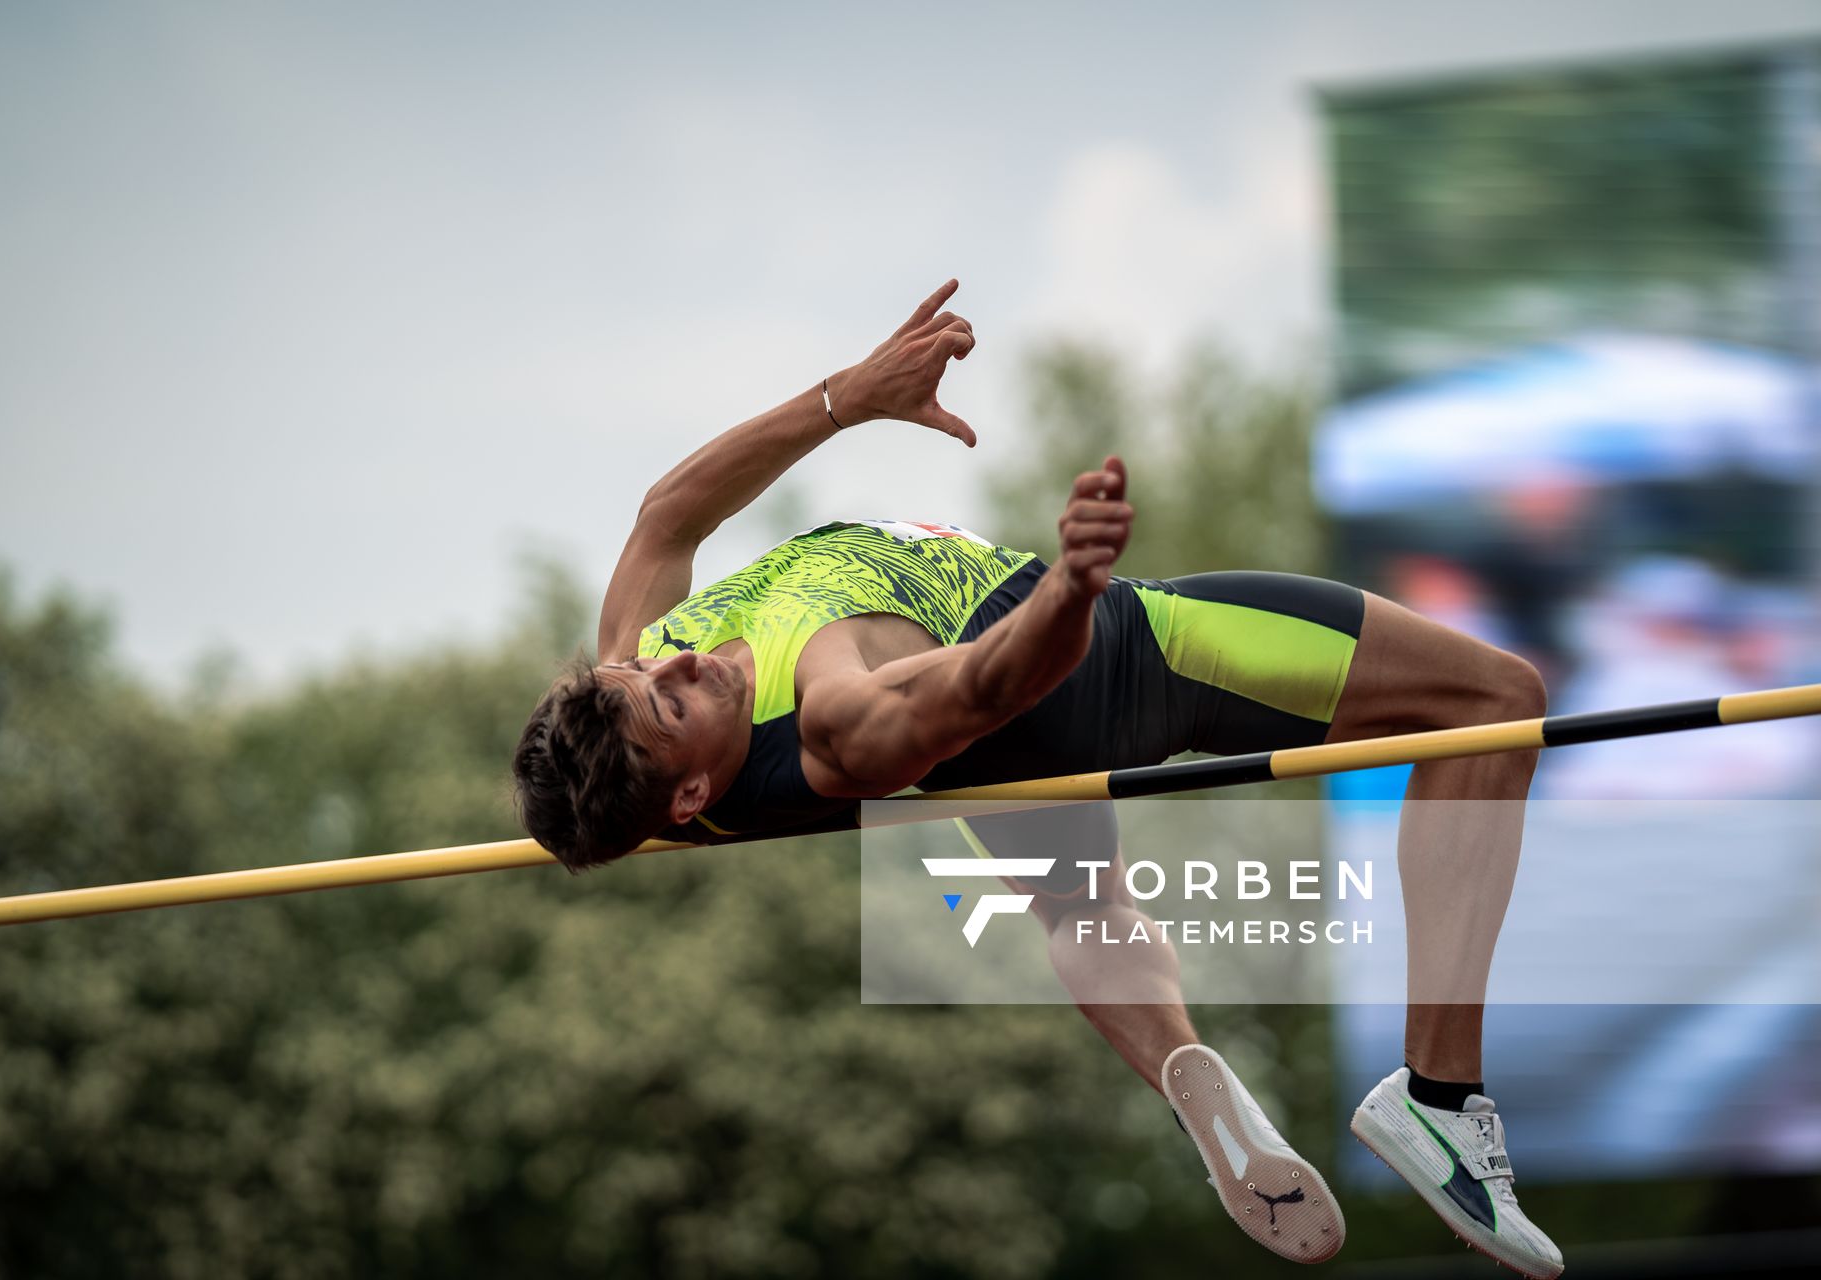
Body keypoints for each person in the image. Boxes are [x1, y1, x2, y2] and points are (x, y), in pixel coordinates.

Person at [511, 282, 1561, 1277]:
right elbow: (978, 686)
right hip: (1101, 661)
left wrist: (848, 398)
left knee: (1083, 906)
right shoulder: (832, 716)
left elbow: (667, 514)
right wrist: (1069, 588)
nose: (680, 661)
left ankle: (1185, 1069)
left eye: (652, 668)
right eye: (674, 700)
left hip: (998, 762)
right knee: (1493, 701)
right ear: (691, 794)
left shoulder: (632, 677)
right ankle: (1439, 1090)